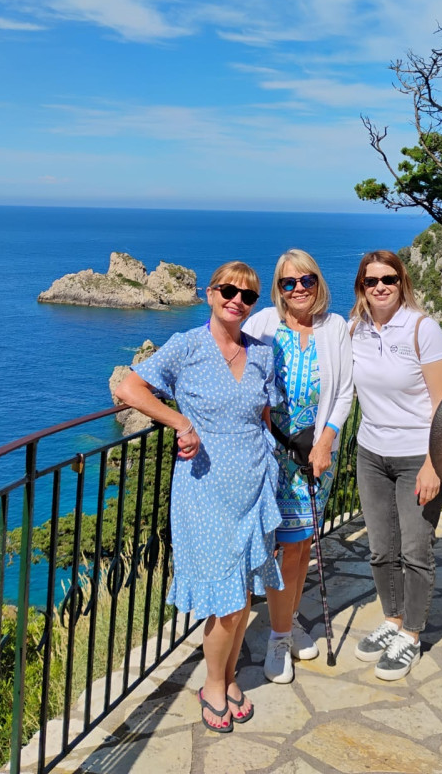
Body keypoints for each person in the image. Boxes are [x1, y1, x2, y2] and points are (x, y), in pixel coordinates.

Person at [114, 261, 282, 734]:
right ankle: (211, 684)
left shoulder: (263, 353)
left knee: (244, 589)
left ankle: (227, 678)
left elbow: (262, 415)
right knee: (225, 595)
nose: (237, 300)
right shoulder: (186, 346)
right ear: (209, 294)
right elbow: (129, 387)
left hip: (254, 484)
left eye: (247, 296)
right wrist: (180, 423)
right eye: (228, 291)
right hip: (206, 489)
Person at [244, 248, 353, 684]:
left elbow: (344, 390)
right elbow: (234, 359)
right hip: (269, 455)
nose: (299, 289)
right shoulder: (263, 323)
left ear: (318, 282)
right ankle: (279, 635)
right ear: (279, 289)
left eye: (306, 279)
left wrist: (326, 441)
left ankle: (284, 626)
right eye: (288, 283)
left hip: (315, 456)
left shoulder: (335, 327)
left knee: (302, 545)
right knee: (278, 545)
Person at [349, 249, 442, 681]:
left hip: (417, 456)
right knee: (380, 548)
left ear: (401, 282)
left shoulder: (422, 330)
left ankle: (410, 634)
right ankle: (391, 619)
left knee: (415, 551)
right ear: (362, 287)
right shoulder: (354, 330)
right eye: (371, 281)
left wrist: (435, 464)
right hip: (370, 453)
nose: (380, 287)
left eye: (388, 279)